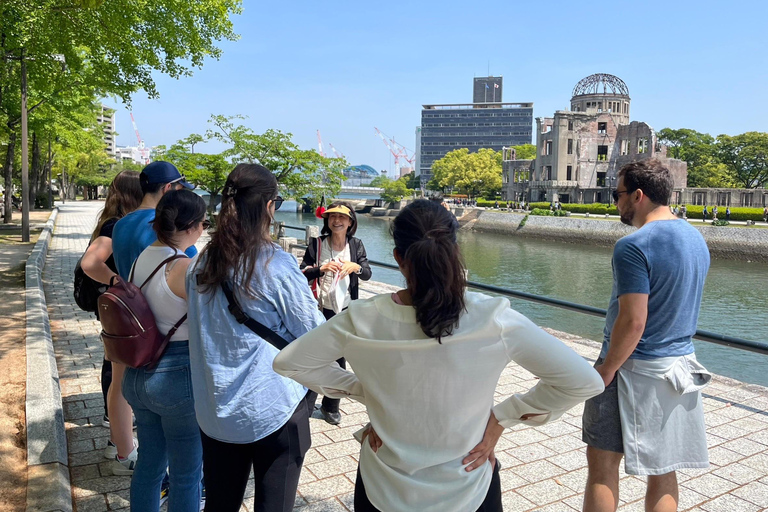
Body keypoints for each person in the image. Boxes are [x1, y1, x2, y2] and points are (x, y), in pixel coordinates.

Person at [274, 199, 604, 512]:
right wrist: (504, 416)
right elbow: (583, 381)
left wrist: (365, 391)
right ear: (456, 251)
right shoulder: (494, 318)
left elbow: (289, 362)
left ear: (398, 258)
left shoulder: (360, 319)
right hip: (468, 486)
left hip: (382, 487)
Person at [186, 164, 325, 512]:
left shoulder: (200, 262)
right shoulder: (273, 262)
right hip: (272, 407)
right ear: (268, 206)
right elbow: (315, 335)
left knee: (219, 502)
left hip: (215, 409)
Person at [583, 159, 711, 512]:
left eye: (618, 194)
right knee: (665, 469)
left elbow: (633, 321)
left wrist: (607, 369)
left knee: (602, 465)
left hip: (631, 368)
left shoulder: (634, 245)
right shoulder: (696, 238)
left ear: (638, 195)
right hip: (680, 367)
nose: (616, 202)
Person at [122, 189, 207, 511]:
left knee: (149, 465)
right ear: (192, 226)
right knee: (187, 474)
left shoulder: (143, 257)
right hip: (175, 379)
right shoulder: (182, 266)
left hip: (138, 373)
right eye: (204, 222)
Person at [80, 170, 143, 470]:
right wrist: (119, 281)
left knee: (117, 375)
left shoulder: (113, 222)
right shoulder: (116, 225)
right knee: (120, 379)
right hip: (121, 309)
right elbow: (91, 262)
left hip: (116, 309)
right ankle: (122, 451)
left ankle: (117, 442)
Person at [299, 202, 372, 424]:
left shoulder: (356, 245)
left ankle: (331, 407)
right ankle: (308, 405)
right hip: (319, 309)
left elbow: (367, 273)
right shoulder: (317, 244)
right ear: (327, 220)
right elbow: (302, 274)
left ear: (350, 222)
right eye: (332, 217)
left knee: (339, 358)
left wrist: (355, 268)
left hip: (347, 310)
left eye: (342, 217)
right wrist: (320, 269)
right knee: (314, 356)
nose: (337, 221)